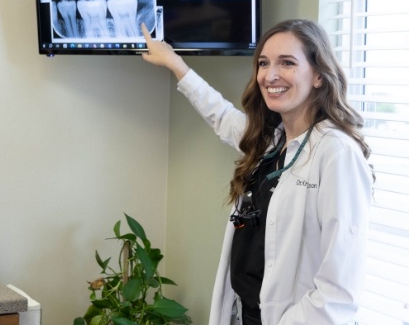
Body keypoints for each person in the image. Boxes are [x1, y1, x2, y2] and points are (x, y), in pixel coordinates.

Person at [140, 19, 374, 325]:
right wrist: (175, 64)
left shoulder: (336, 153)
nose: (270, 75)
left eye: (287, 63)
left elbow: (338, 291)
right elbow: (221, 116)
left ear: (318, 75)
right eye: (264, 63)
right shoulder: (272, 141)